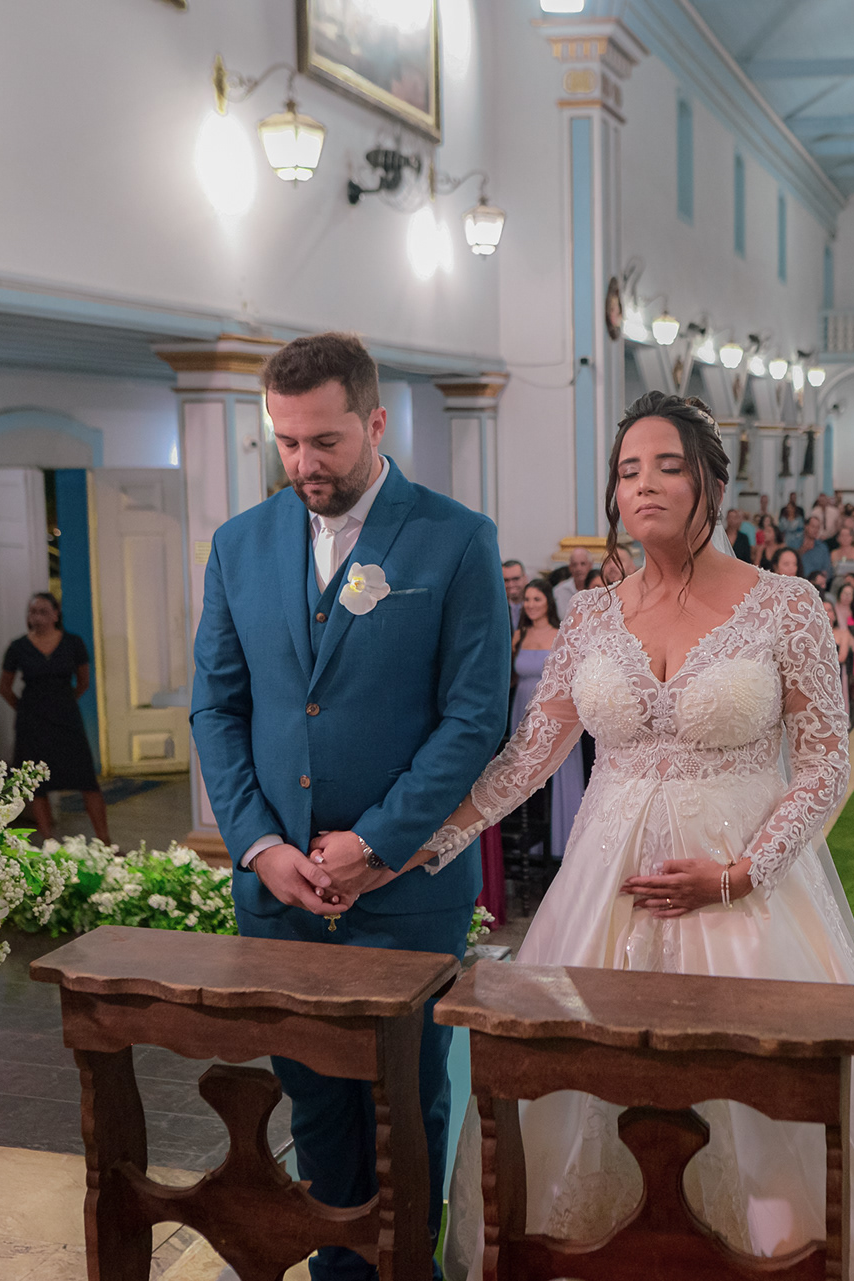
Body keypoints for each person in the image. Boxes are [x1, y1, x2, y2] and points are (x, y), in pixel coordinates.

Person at [425, 391, 854, 1278]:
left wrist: (740, 873)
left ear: (712, 484)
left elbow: (824, 766)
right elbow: (528, 756)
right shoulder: (593, 614)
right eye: (627, 469)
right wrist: (429, 844)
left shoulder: (786, 605)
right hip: (605, 897)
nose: (644, 484)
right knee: (586, 1109)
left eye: (668, 465)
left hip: (749, 901)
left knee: (758, 1121)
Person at [191, 332, 510, 1281]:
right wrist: (255, 845)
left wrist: (378, 841)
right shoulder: (239, 543)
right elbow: (219, 705)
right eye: (286, 443)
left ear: (375, 422)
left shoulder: (454, 538)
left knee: (405, 1111)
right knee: (317, 1108)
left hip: (402, 896)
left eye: (324, 441)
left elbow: (473, 717)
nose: (304, 464)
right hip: (278, 896)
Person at [0, 591, 109, 844]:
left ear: (56, 614)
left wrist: (63, 703)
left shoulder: (73, 643)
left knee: (86, 780)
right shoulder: (18, 647)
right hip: (32, 724)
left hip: (67, 720)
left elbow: (83, 682)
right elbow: (4, 688)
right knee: (37, 783)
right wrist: (26, 709)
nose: (36, 617)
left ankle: (106, 841)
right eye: (32, 612)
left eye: (42, 611)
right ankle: (49, 841)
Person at [511, 580, 583, 862]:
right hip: (522, 711)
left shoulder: (561, 634)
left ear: (548, 603)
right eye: (527, 599)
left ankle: (563, 847)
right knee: (526, 777)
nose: (530, 605)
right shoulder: (519, 635)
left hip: (554, 711)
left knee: (559, 773)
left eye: (536, 599)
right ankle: (532, 849)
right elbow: (510, 676)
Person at [551, 545, 594, 616]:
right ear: (570, 568)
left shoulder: (598, 589)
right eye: (574, 565)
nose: (578, 569)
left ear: (590, 566)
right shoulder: (559, 591)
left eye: (583, 564)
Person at [502, 558, 527, 630]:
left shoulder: (536, 606)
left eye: (516, 579)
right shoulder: (498, 608)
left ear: (525, 578)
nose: (511, 584)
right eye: (506, 580)